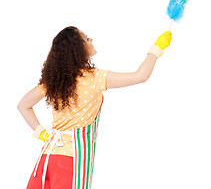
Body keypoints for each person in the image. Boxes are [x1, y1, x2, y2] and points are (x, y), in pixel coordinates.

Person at [17, 26, 172, 189]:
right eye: (87, 39)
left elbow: (23, 105)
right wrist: (156, 49)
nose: (91, 41)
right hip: (72, 159)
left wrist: (41, 133)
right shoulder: (94, 78)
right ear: (78, 49)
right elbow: (140, 76)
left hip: (48, 156)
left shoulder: (53, 81)